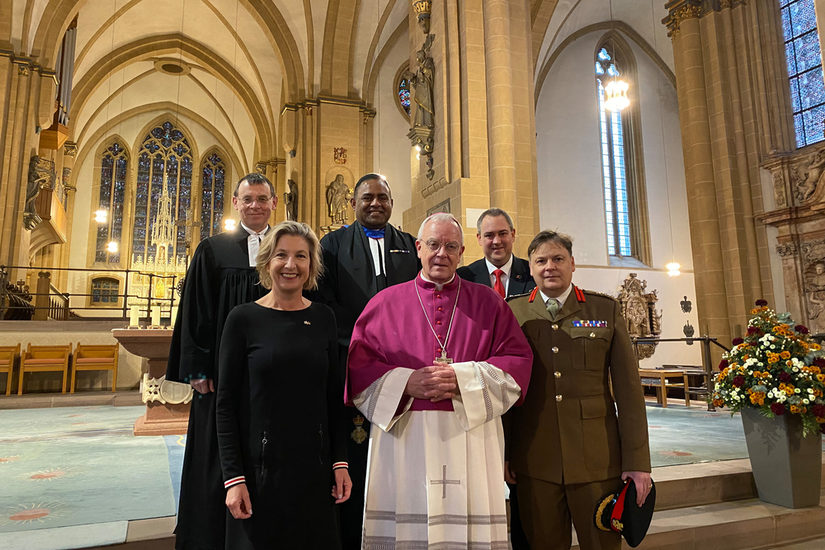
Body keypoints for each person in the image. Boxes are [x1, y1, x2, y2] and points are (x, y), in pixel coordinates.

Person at [347, 213, 533, 549]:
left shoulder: (489, 303)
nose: (441, 254)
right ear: (419, 248)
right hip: (404, 436)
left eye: (450, 246)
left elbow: (517, 365)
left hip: (471, 435)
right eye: (433, 244)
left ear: (462, 252)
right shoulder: (384, 303)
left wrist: (462, 378)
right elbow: (359, 370)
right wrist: (406, 382)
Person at [505, 230, 652, 550]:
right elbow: (505, 390)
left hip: (597, 459)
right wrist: (505, 454)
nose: (549, 267)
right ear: (529, 268)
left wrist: (638, 461)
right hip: (535, 459)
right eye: (540, 261)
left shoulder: (603, 311)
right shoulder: (513, 313)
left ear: (572, 264)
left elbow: (629, 393)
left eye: (558, 259)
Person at [216, 221, 351, 549]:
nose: (291, 265)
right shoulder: (243, 319)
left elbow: (334, 396)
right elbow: (225, 404)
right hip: (260, 471)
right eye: (281, 255)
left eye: (301, 257)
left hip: (314, 470)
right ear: (266, 262)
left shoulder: (323, 318)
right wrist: (234, 479)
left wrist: (340, 461)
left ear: (312, 265)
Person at [166, 173, 276, 550]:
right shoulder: (214, 249)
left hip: (269, 373)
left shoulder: (285, 248)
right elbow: (195, 309)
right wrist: (196, 369)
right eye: (248, 199)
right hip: (220, 373)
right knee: (217, 449)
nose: (255, 206)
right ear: (235, 202)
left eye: (262, 199)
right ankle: (210, 533)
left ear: (274, 204)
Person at [314, 173, 419, 549]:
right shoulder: (332, 244)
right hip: (352, 361)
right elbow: (322, 299)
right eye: (367, 198)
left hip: (404, 363)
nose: (376, 204)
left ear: (391, 202)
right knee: (355, 452)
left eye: (383, 197)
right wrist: (360, 336)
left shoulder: (409, 244)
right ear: (353, 203)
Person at [457, 206, 533, 548]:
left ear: (513, 235)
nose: (496, 241)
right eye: (489, 235)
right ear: (478, 240)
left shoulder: (534, 274)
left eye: (503, 233)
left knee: (522, 482)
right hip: (476, 390)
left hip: (521, 391)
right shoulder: (462, 277)